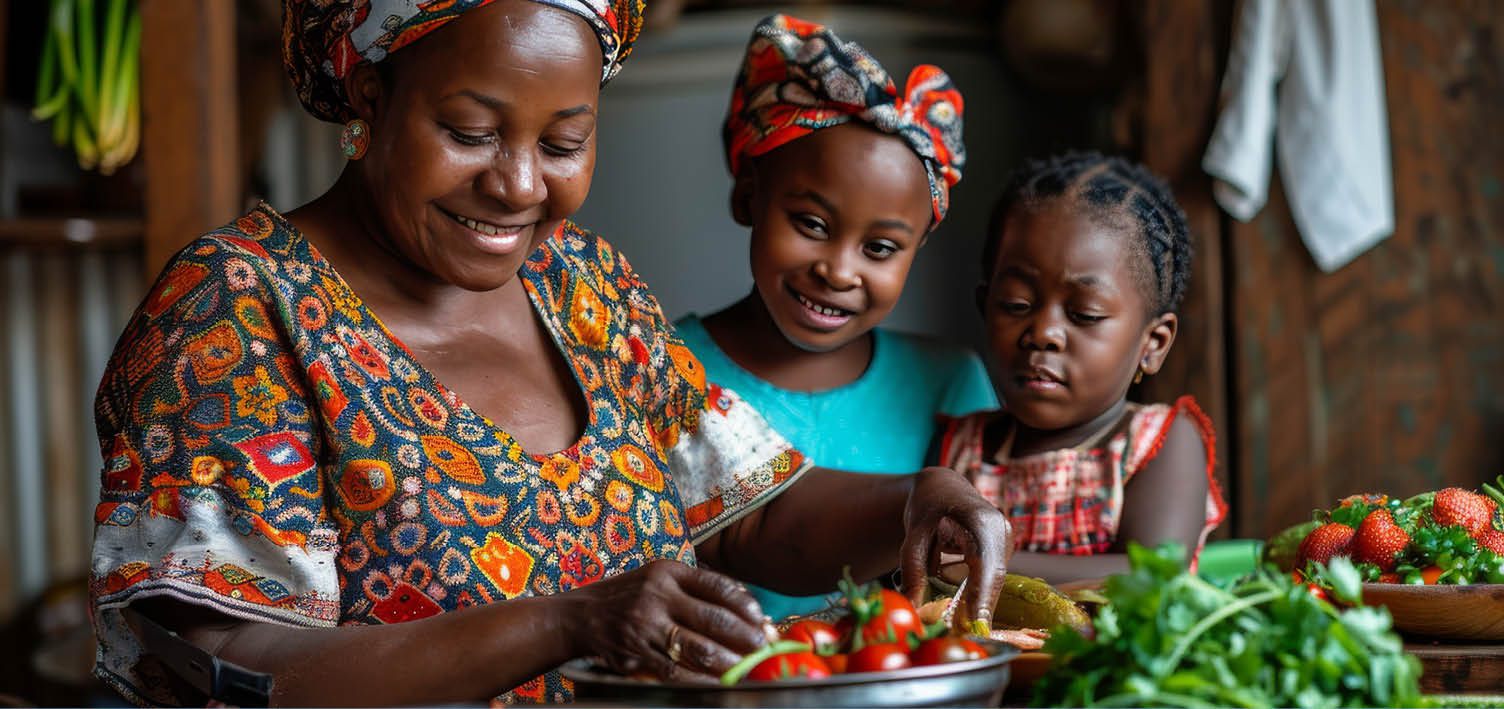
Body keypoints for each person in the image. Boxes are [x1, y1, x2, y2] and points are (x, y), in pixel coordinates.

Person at [87, 1, 1013, 705]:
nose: (520, 185)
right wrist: (569, 621)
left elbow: (743, 516)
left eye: (564, 141)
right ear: (371, 94)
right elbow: (229, 662)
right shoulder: (237, 312)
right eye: (471, 133)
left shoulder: (581, 282)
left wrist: (913, 500)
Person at [673, 15, 999, 621]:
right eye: (813, 226)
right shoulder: (662, 366)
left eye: (879, 249)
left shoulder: (949, 382)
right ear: (749, 197)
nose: (839, 271)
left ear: (916, 250)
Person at [931, 152, 1227, 584]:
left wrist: (983, 561)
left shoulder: (1156, 444)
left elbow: (1153, 575)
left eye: (1084, 314)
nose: (1043, 332)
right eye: (1017, 304)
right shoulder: (959, 448)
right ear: (985, 307)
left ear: (1153, 343)